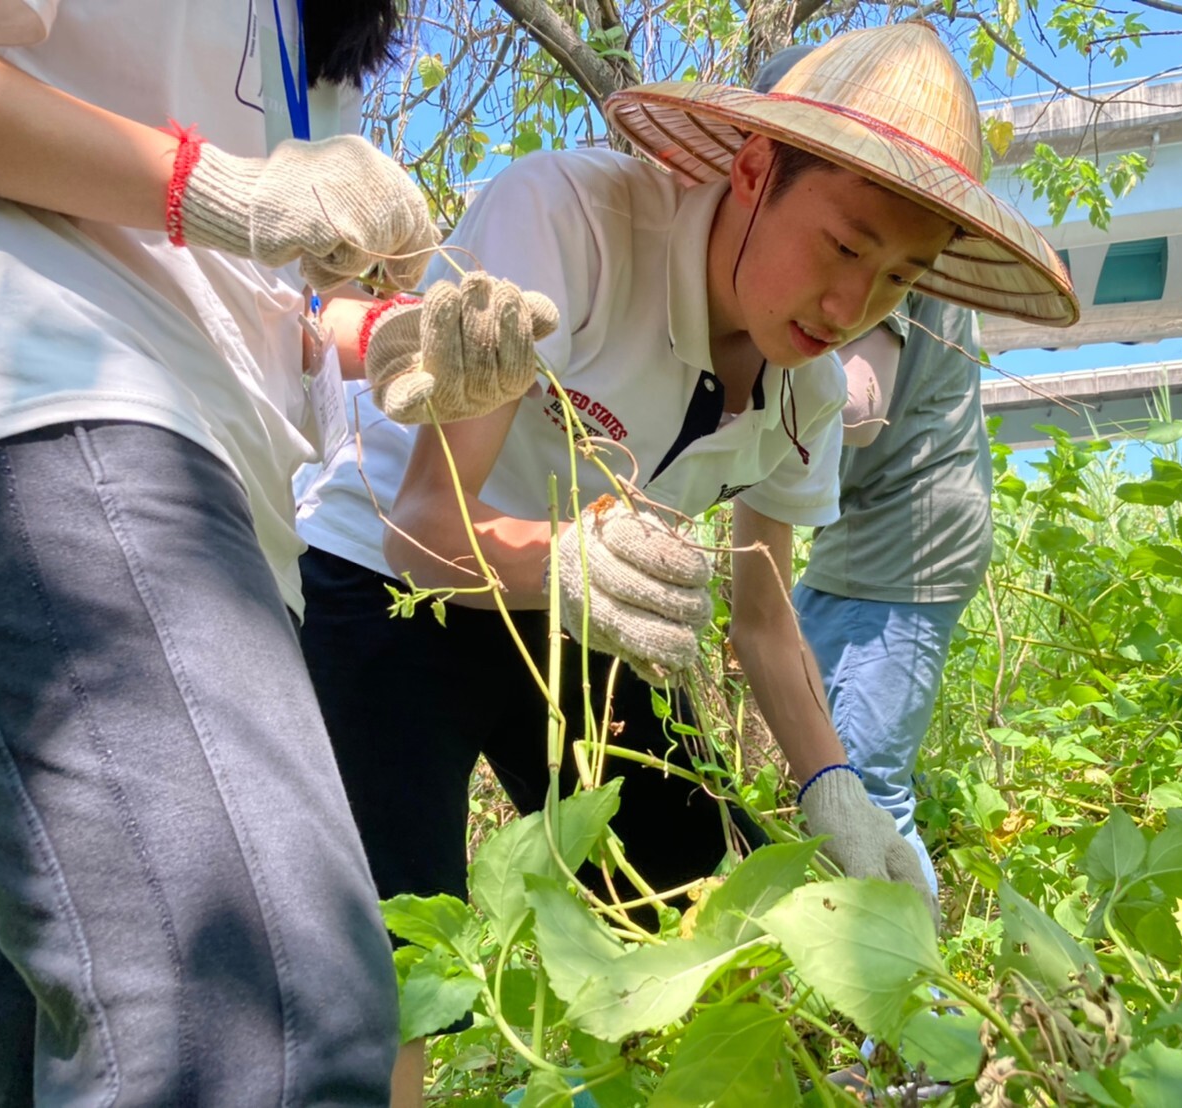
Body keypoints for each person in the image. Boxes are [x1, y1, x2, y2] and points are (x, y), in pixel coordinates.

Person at [293, 19, 1073, 1090]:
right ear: (753, 170)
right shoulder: (569, 223)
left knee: (719, 893)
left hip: (574, 611)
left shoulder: (802, 386)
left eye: (897, 279)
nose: (850, 309)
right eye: (844, 247)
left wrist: (834, 789)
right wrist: (565, 557)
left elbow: (762, 616)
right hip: (390, 593)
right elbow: (424, 522)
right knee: (389, 965)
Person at [0, 1, 442, 1103]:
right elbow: (201, 210)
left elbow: (259, 300)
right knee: (268, 1014)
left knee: (23, 1039)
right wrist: (214, 187)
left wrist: (386, 342)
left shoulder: (313, 37)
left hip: (228, 496)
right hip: (61, 391)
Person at [747, 47, 996, 900]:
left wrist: (758, 388)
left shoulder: (880, 240)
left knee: (868, 782)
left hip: (908, 547)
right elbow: (758, 630)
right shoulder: (903, 225)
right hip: (861, 541)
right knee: (816, 747)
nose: (854, 299)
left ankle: (903, 1010)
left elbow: (857, 409)